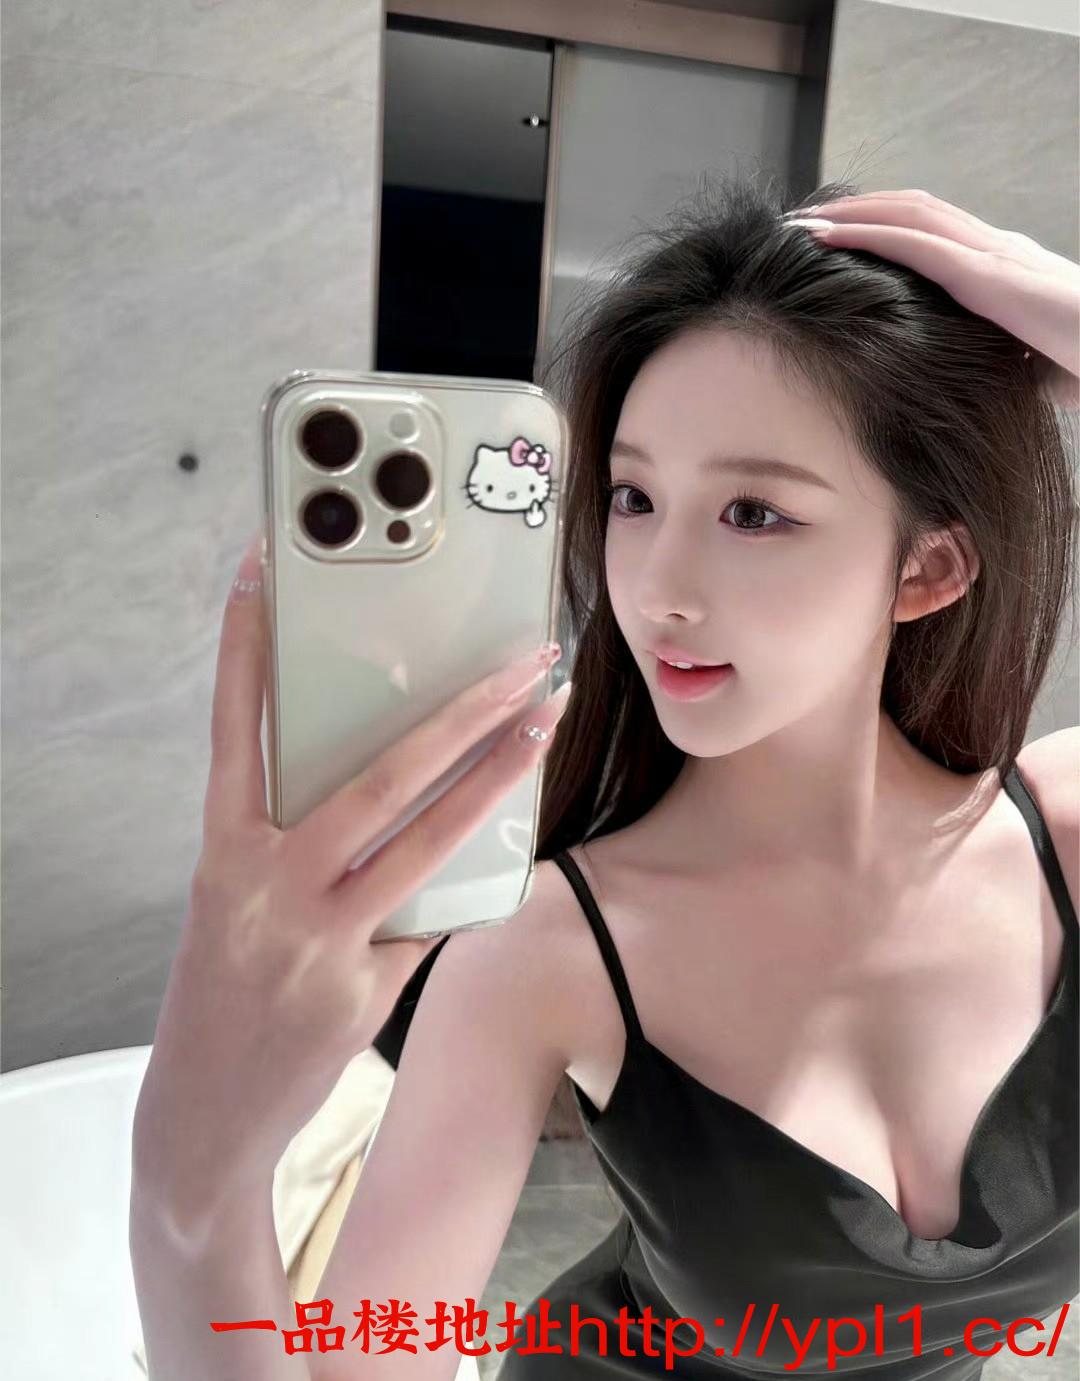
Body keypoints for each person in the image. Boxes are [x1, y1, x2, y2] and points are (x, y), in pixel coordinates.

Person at [130, 175, 1080, 1381]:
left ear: (928, 570)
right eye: (634, 497)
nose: (657, 586)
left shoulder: (1060, 838)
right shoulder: (542, 950)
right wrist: (190, 1188)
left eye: (753, 512)